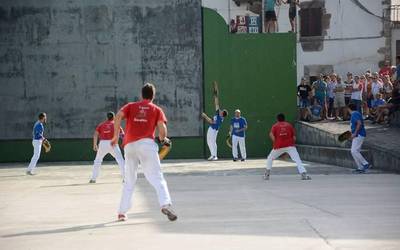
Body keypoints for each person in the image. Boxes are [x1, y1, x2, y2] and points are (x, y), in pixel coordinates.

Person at [111, 83, 177, 222]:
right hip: (147, 145)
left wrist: (116, 136)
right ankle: (165, 204)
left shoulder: (130, 106)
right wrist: (163, 138)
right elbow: (162, 129)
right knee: (156, 178)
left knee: (129, 180)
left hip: (129, 146)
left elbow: (117, 117)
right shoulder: (156, 109)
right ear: (153, 96)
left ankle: (122, 212)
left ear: (142, 95)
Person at [263, 113, 311, 180]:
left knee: (270, 158)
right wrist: (291, 144)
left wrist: (275, 142)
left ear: (277, 119)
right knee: (297, 159)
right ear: (284, 119)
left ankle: (267, 175)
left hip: (278, 146)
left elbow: (271, 134)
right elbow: (294, 137)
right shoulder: (289, 125)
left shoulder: (275, 126)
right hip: (290, 146)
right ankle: (304, 174)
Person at [89, 112, 125, 183]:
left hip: (103, 144)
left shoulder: (101, 125)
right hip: (113, 143)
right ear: (114, 117)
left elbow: (95, 134)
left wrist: (95, 144)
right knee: (121, 161)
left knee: (97, 161)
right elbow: (123, 135)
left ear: (107, 117)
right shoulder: (116, 124)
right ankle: (126, 178)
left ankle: (93, 179)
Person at [201, 92, 228, 161]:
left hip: (214, 130)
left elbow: (211, 121)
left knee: (213, 142)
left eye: (221, 111)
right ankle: (212, 155)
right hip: (210, 128)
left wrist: (205, 116)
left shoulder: (220, 119)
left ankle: (215, 156)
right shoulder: (218, 114)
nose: (220, 110)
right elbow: (217, 105)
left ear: (222, 114)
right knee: (208, 142)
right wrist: (216, 97)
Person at [347, 103, 370, 173]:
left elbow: (359, 123)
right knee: (355, 151)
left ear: (349, 109)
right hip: (358, 134)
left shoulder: (354, 114)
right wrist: (352, 134)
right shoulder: (355, 114)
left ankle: (365, 164)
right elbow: (354, 126)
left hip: (359, 134)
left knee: (353, 151)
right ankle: (360, 167)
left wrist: (355, 133)